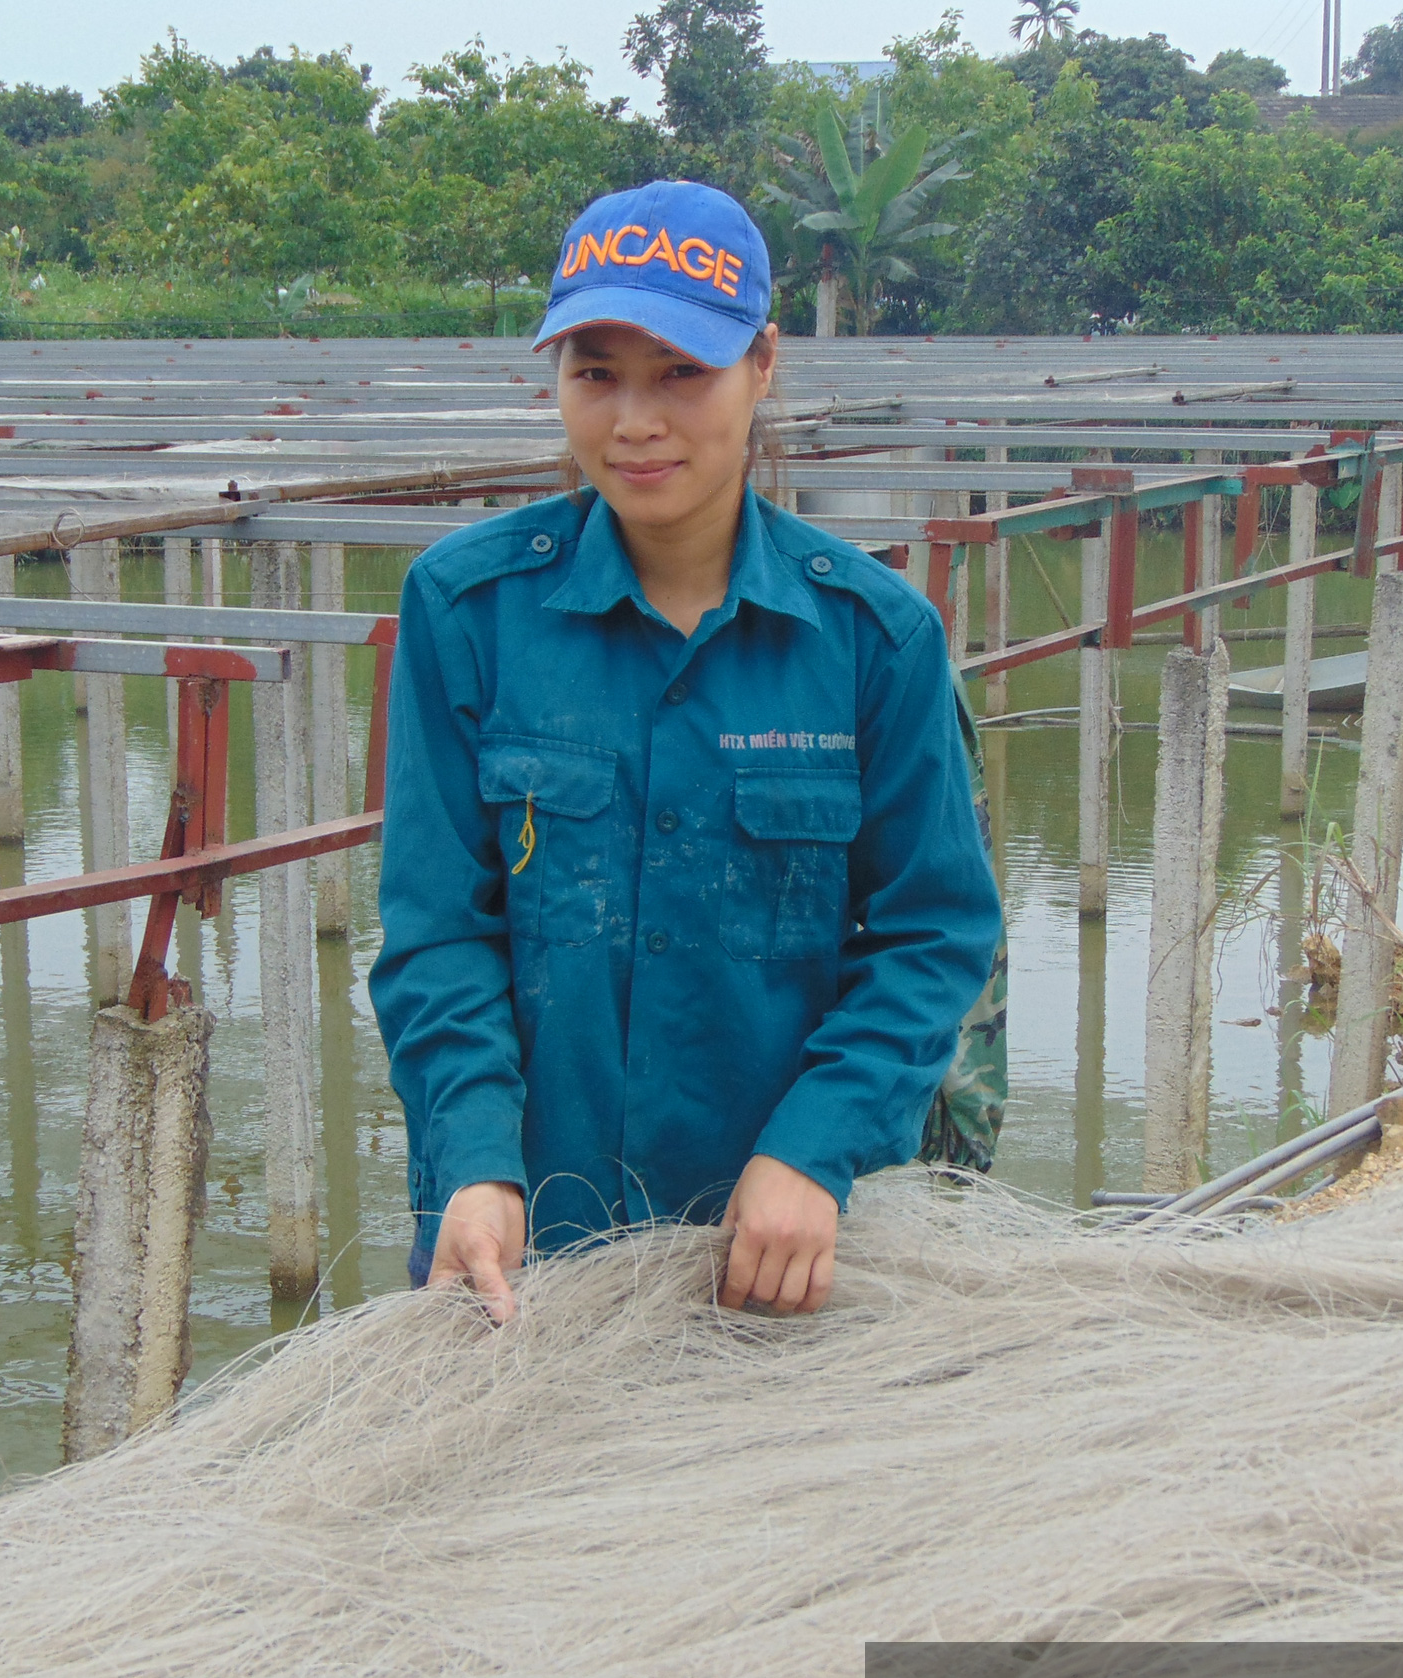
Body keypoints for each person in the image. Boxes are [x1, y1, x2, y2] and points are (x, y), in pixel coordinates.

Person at [367, 179, 1003, 1325]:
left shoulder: (874, 638)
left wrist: (814, 1151)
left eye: (682, 374)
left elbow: (933, 935)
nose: (634, 422)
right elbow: (435, 932)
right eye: (595, 373)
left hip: (784, 1257)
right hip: (515, 1261)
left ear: (763, 365)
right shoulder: (465, 611)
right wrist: (472, 1158)